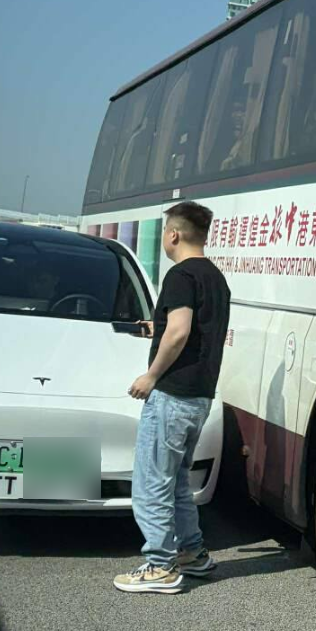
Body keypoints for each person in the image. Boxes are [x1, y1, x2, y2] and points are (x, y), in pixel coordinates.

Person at [113, 202, 231, 594]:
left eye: (166, 231)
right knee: (178, 482)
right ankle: (192, 555)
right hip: (199, 396)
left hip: (173, 395)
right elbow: (192, 331)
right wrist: (157, 328)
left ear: (174, 235)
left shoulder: (181, 275)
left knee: (152, 484)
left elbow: (179, 331)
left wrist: (151, 375)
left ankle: (160, 566)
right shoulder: (216, 279)